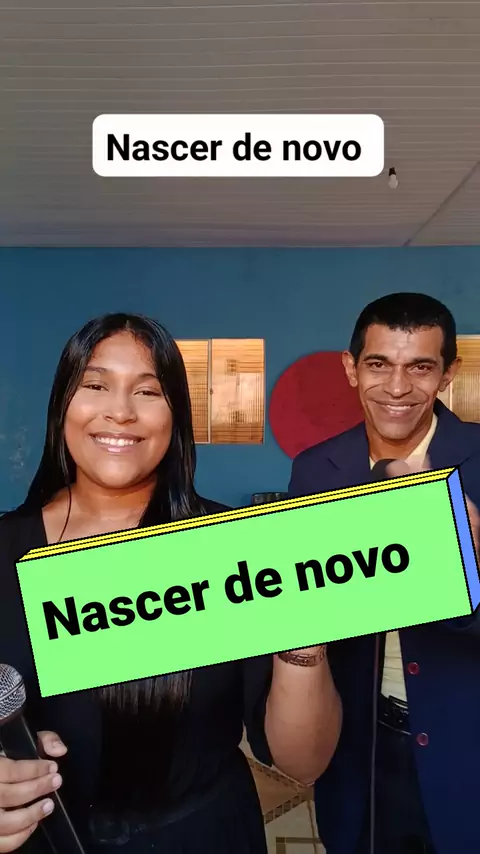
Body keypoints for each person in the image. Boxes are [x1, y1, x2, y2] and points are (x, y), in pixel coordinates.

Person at [0, 313, 342, 854]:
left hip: (204, 836)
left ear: (175, 414)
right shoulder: (5, 548)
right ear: (62, 403)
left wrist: (305, 629)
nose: (120, 411)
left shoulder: (236, 547)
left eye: (147, 391)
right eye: (96, 385)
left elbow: (302, 763)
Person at [288, 293, 480, 854]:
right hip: (357, 746)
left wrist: (471, 569)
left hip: (465, 744)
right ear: (351, 368)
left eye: (419, 367)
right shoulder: (313, 470)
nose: (397, 387)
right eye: (379, 364)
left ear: (447, 374)